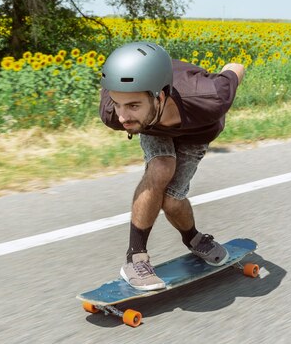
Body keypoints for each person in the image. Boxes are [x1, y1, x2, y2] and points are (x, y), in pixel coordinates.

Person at [99, 41, 245, 291]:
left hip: (196, 130)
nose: (122, 117)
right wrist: (130, 108)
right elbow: (122, 105)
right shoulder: (114, 113)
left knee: (172, 201)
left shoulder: (211, 96)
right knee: (161, 167)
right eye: (118, 103)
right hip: (153, 124)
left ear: (160, 96)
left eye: (133, 105)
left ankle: (194, 238)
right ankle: (135, 258)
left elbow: (236, 66)